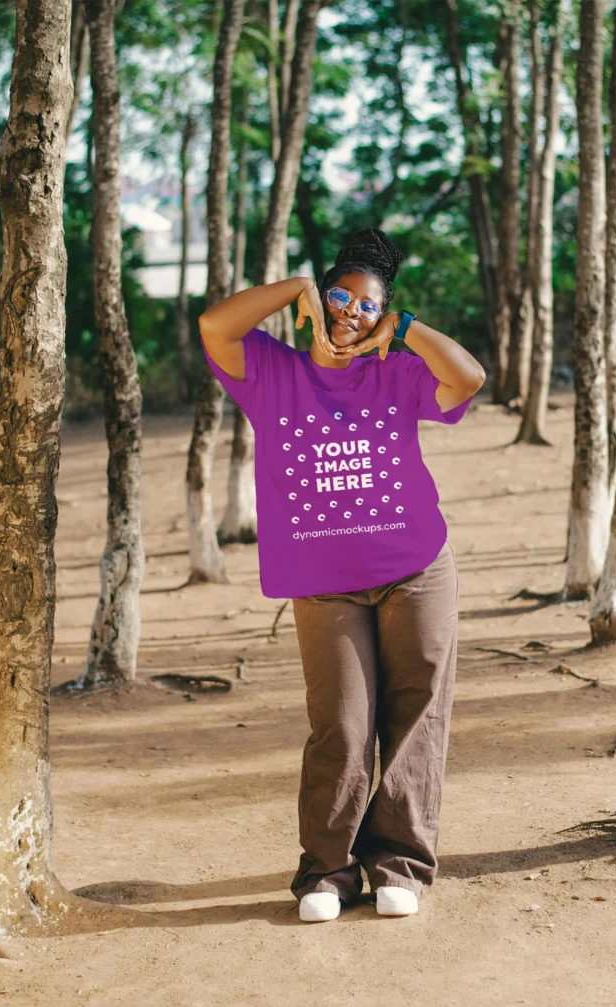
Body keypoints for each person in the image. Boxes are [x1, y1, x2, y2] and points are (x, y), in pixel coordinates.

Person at [199, 229, 486, 922]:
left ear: (383, 314)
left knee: (416, 718)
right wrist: (294, 287)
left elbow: (468, 377)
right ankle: (327, 871)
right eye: (338, 295)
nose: (350, 311)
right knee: (342, 727)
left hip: (414, 570)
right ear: (318, 300)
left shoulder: (397, 371)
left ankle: (401, 866)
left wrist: (406, 329)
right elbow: (214, 323)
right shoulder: (271, 372)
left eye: (368, 305)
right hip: (324, 584)